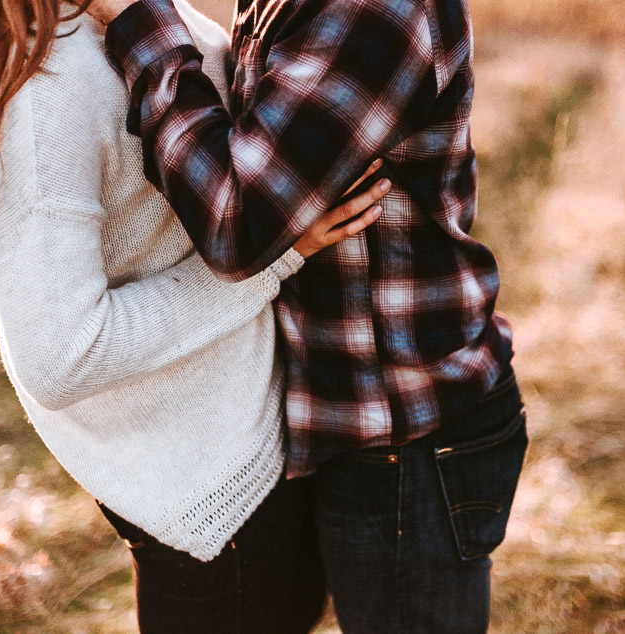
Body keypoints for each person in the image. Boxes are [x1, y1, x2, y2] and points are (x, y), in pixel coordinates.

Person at [0, 0, 389, 631]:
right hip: (211, 496)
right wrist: (278, 255)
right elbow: (61, 354)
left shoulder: (120, 15)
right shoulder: (46, 92)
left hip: (252, 441)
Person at [85, 0, 529, 630]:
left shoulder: (375, 12)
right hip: (333, 415)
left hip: (408, 435)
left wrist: (142, 23)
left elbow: (235, 219)